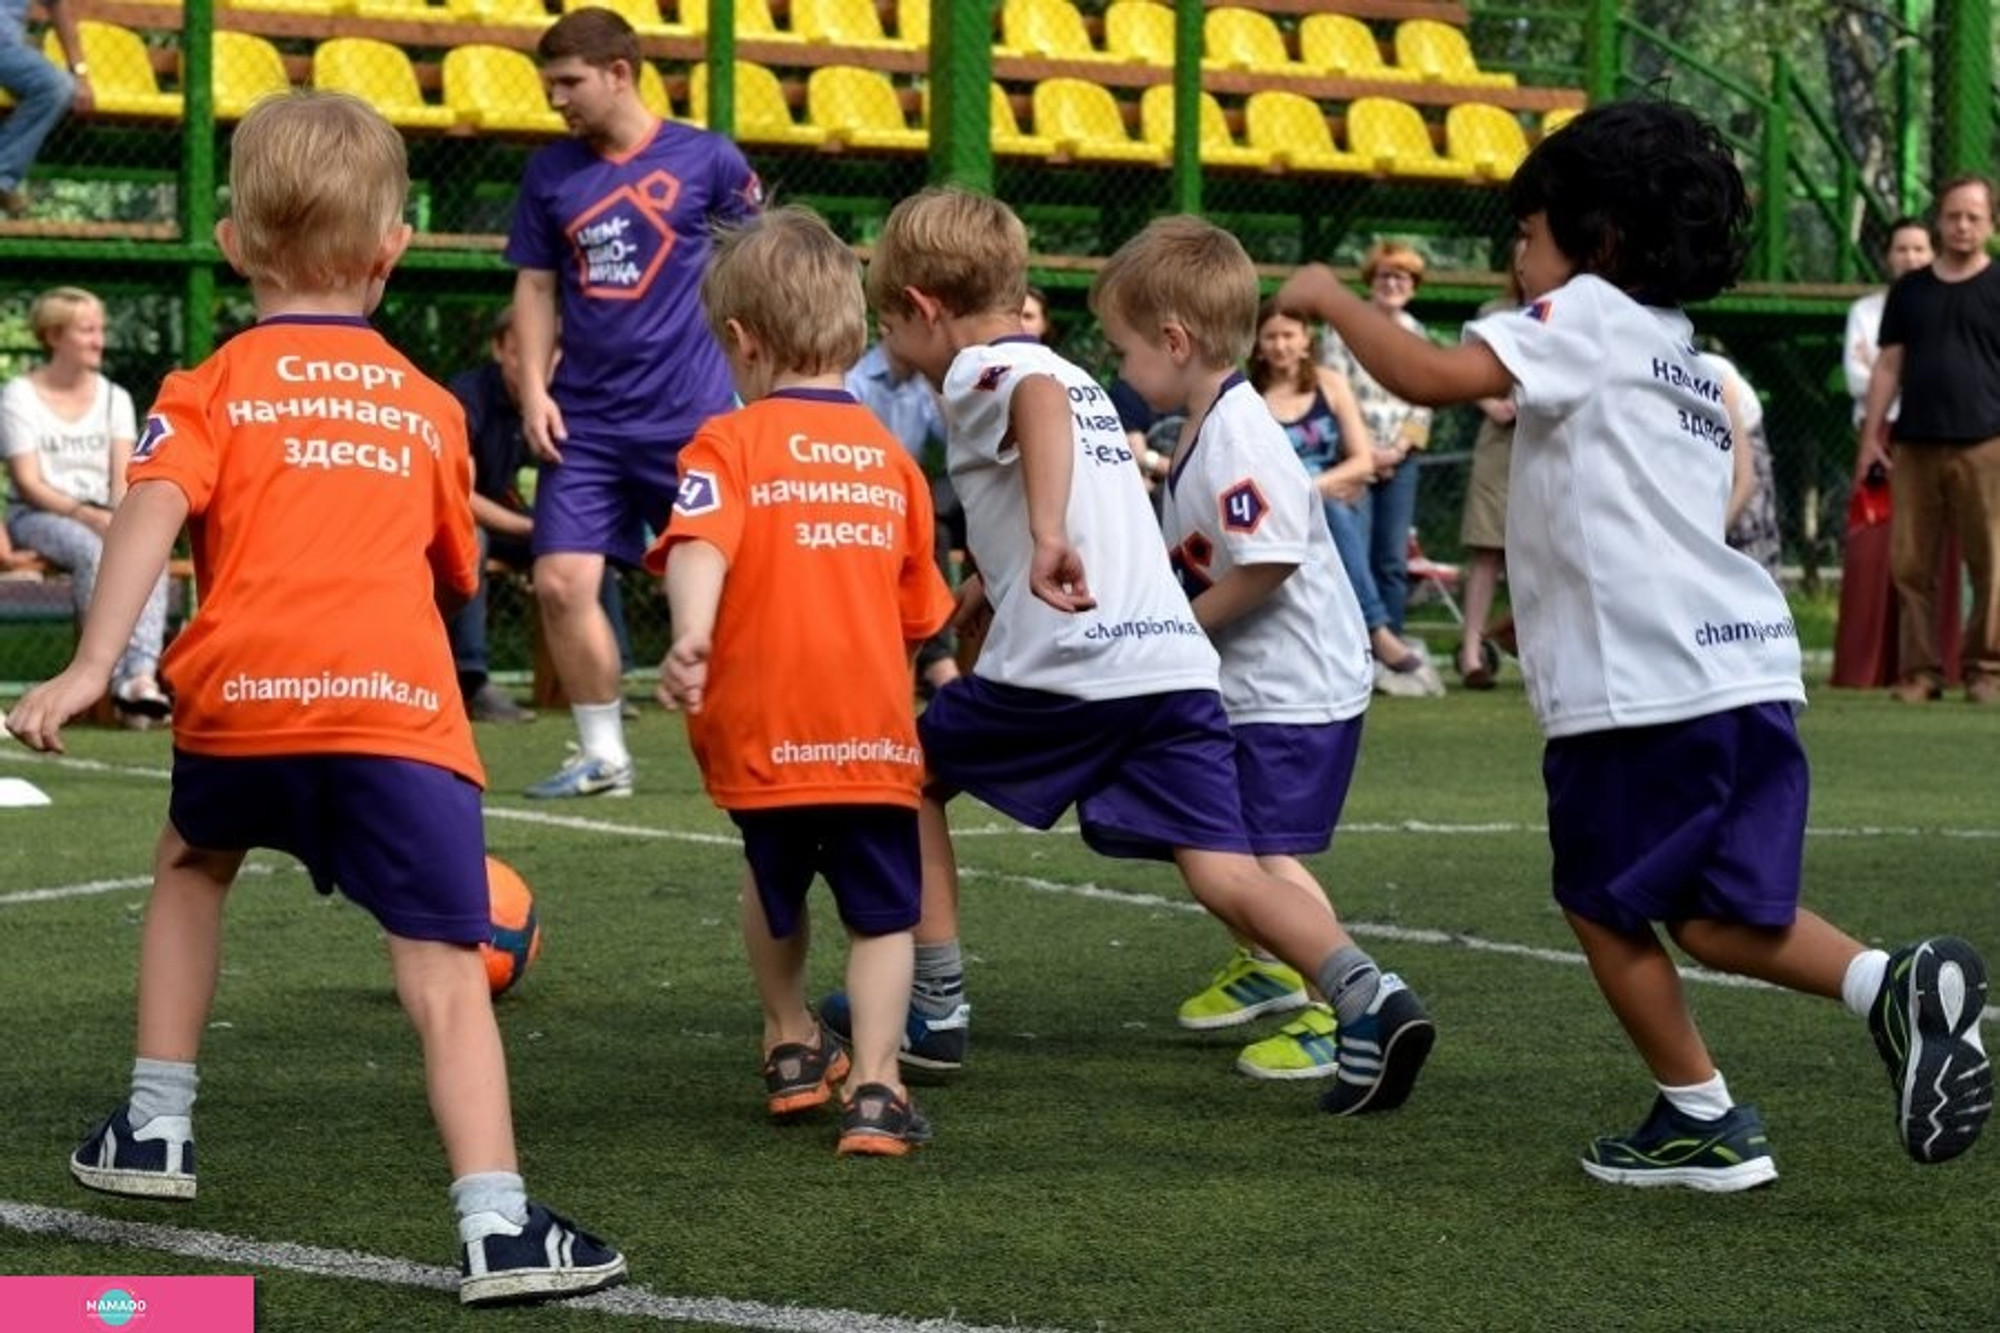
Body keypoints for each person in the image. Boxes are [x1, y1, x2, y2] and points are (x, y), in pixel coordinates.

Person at [1279, 98, 1992, 1188]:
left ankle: (1702, 1112)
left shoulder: (1585, 318)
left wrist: (1325, 293)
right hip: (1739, 670)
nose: (1515, 261)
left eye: (1525, 236)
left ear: (1597, 241)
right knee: (1710, 914)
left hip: (1642, 691)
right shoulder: (1687, 365)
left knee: (1599, 897)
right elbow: (1651, 514)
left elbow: (1428, 379)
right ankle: (1882, 986)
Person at [3, 92, 626, 1302]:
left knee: (192, 863)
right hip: (397, 717)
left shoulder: (212, 383)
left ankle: (155, 1128)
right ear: (392, 254)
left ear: (233, 246)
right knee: (444, 971)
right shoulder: (434, 409)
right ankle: (497, 1223)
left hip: (243, 700)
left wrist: (92, 663)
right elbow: (453, 567)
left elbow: (153, 506)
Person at [825, 186, 1436, 1117]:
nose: (888, 347)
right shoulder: (1076, 376)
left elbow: (1030, 412)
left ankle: (933, 1005)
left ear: (922, 309)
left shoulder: (985, 368)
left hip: (1075, 666)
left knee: (906, 778)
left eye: (886, 323)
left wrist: (1036, 536)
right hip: (1174, 667)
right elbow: (1075, 474)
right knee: (1222, 865)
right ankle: (1364, 991)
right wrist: (997, 571)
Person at [649, 206, 956, 1155]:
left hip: (763, 733)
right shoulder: (893, 462)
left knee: (771, 876)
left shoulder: (726, 446)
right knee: (882, 919)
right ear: (857, 330)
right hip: (868, 737)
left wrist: (692, 632)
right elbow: (922, 615)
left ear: (740, 342)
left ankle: (788, 1038)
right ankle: (875, 1085)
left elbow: (698, 541)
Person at [1095, 215, 1426, 1083]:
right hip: (1255, 686)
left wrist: (1179, 629)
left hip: (1291, 691)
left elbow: (1271, 556)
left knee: (1259, 852)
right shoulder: (1203, 427)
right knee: (1207, 834)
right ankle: (1273, 962)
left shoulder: (1239, 433)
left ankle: (1340, 1006)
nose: (1119, 370)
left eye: (1123, 350)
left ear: (1174, 340)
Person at [508, 6, 762, 797]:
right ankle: (604, 755)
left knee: (735, 590)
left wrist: (759, 389)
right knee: (559, 582)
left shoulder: (709, 160)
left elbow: (759, 269)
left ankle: (755, 738)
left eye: (568, 82)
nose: (556, 99)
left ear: (620, 73)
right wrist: (534, 390)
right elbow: (536, 284)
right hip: (584, 421)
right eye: (549, 84)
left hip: (693, 417)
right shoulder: (549, 174)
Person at [442, 306, 636, 724]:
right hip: (493, 523)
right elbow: (458, 495)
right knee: (470, 537)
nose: (537, 363)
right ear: (499, 350)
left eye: (548, 352)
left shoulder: (574, 399)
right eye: (521, 351)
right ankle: (473, 682)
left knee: (584, 540)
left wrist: (560, 527)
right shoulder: (468, 397)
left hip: (549, 525)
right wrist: (529, 526)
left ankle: (610, 680)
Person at [1249, 298, 1442, 696]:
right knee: (1334, 509)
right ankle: (1377, 632)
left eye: (1289, 335)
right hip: (1279, 507)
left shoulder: (1330, 383)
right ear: (1258, 344)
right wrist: (1309, 490)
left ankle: (1369, 638)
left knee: (1342, 515)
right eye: (1271, 337)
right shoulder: (1249, 398)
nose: (1280, 345)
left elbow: (1360, 461)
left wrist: (1315, 487)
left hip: (1332, 492)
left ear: (1306, 340)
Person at [1856, 177, 2000, 705]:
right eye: (1954, 216)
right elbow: (1888, 366)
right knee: (1911, 565)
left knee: (1992, 563)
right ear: (1939, 220)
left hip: (1987, 444)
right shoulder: (1910, 290)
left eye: (1974, 217)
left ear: (1991, 224)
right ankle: (1920, 673)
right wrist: (1872, 437)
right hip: (1914, 443)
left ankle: (1986, 671)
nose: (1963, 226)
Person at [2, 285, 171, 723]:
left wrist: (122, 518)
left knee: (143, 544)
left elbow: (122, 479)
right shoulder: (19, 395)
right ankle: (108, 676)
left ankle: (139, 679)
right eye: (87, 330)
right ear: (54, 336)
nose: (99, 339)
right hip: (39, 514)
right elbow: (28, 481)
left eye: (101, 329)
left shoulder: (115, 397)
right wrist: (89, 516)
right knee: (92, 549)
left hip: (104, 512)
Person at [1833, 217, 1948, 690]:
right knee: (1872, 549)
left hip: (1935, 432)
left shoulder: (1947, 301)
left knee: (1932, 554)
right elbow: (1860, 377)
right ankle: (1866, 667)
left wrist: (1890, 366)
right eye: (1902, 249)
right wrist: (1899, 369)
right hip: (1878, 437)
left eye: (1920, 249)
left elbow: (1904, 368)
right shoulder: (1865, 309)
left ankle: (1937, 665)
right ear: (1888, 256)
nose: (1911, 258)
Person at [1320, 242, 1437, 681]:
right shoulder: (1343, 331)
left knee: (1391, 558)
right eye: (1385, 276)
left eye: (1402, 278)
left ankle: (1394, 652)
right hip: (1354, 457)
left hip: (1401, 459)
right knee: (1356, 553)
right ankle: (1355, 651)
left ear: (1413, 287)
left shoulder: (1417, 332)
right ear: (1371, 281)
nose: (1392, 284)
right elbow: (1335, 391)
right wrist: (1366, 454)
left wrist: (1400, 450)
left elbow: (1426, 396)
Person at [846, 334, 960, 697]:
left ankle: (938, 657)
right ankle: (937, 660)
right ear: (888, 330)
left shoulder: (922, 385)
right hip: (857, 502)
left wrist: (938, 380)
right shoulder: (855, 382)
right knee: (930, 534)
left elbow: (958, 440)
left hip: (901, 505)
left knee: (935, 527)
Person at [1454, 267, 1525, 688]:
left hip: (1552, 440)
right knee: (1487, 549)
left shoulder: (1570, 312)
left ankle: (1537, 650)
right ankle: (1470, 651)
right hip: (1501, 440)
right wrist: (1490, 404)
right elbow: (1462, 372)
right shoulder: (1494, 314)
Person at [0, 0, 90, 218]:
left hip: (7, 49)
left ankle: (2, 176)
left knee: (56, 86)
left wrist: (80, 73)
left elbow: (57, 6)